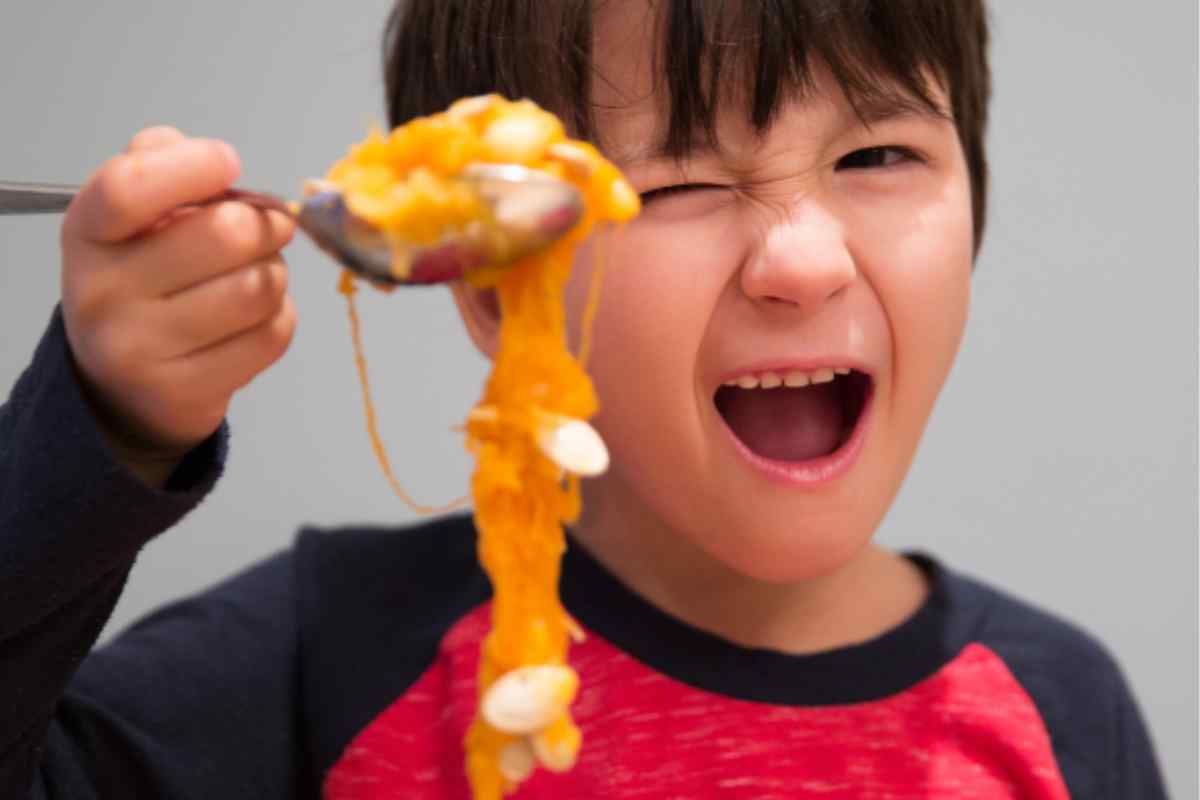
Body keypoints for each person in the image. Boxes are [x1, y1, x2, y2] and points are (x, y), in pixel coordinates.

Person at [0, 1, 1169, 798]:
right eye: (680, 181)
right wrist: (103, 427)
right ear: (498, 281)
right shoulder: (330, 655)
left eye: (878, 158)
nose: (804, 260)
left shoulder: (1062, 710)